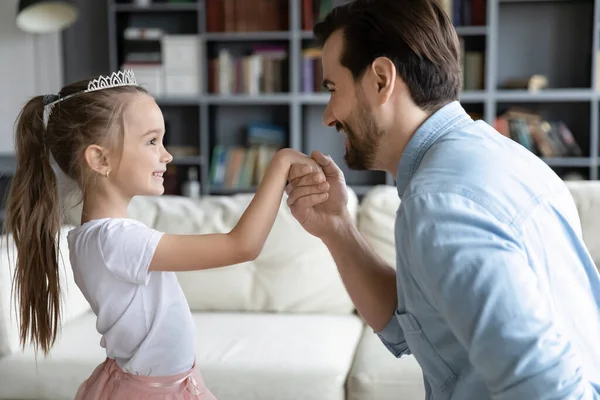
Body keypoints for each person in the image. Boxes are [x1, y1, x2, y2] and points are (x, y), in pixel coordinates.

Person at [284, 0, 600, 399]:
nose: (328, 116)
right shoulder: (503, 157)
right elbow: (413, 325)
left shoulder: (440, 204)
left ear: (381, 79)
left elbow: (546, 389)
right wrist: (337, 228)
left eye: (333, 89)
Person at [3, 69, 329, 400]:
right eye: (151, 141)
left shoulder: (98, 237)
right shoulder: (115, 240)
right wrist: (282, 162)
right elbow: (241, 246)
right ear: (100, 159)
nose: (167, 154)